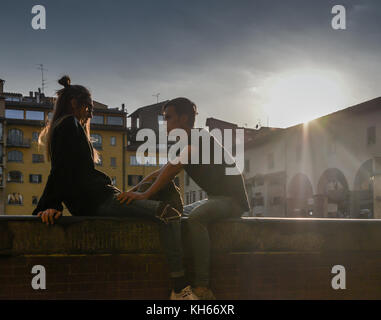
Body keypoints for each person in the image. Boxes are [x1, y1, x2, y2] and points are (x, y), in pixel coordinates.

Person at [32, 76, 197, 300]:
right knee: (169, 213)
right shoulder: (69, 125)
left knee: (167, 193)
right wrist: (50, 205)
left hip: (103, 198)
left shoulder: (66, 127)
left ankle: (178, 254)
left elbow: (62, 170)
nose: (90, 114)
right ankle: (179, 288)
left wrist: (138, 190)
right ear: (74, 104)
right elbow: (60, 170)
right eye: (89, 108)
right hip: (100, 202)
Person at [118, 97, 250, 299]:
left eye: (168, 117)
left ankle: (202, 286)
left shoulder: (198, 138)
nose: (165, 122)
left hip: (232, 200)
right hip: (215, 198)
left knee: (196, 218)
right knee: (178, 215)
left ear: (183, 118)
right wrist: (130, 192)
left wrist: (144, 195)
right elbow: (159, 173)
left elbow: (170, 170)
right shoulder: (187, 142)